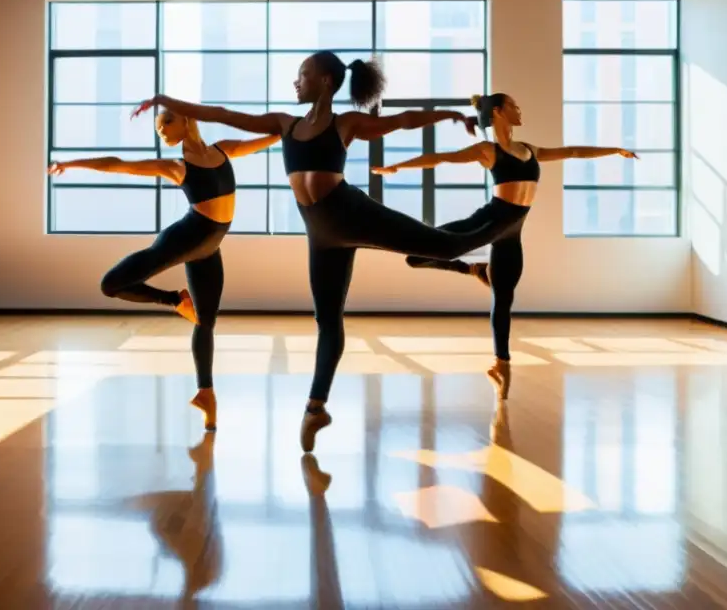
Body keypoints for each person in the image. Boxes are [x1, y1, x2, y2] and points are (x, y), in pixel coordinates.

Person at [132, 53, 527, 452]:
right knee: (328, 321)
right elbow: (224, 114)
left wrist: (444, 115)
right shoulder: (284, 123)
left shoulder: (344, 124)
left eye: (301, 75)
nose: (295, 83)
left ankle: (505, 225)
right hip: (321, 235)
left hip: (353, 214)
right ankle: (316, 407)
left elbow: (398, 121)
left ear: (324, 81)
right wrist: (168, 100)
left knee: (446, 245)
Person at [373, 92, 637, 400]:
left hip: (512, 231)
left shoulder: (529, 150)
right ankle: (471, 268)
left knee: (504, 297)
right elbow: (443, 157)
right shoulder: (489, 150)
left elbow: (574, 151)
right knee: (417, 255)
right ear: (498, 111)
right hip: (489, 222)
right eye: (514, 105)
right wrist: (398, 167)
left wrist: (615, 150)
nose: (519, 109)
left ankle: (502, 364)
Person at [48, 109, 278, 430]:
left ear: (186, 119)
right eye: (157, 128)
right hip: (184, 239)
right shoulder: (177, 167)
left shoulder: (224, 149)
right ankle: (173, 300)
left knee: (206, 322)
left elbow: (268, 140)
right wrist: (70, 164)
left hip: (209, 249)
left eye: (165, 122)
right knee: (112, 284)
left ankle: (206, 394)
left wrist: (295, 129)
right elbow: (118, 164)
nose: (161, 131)